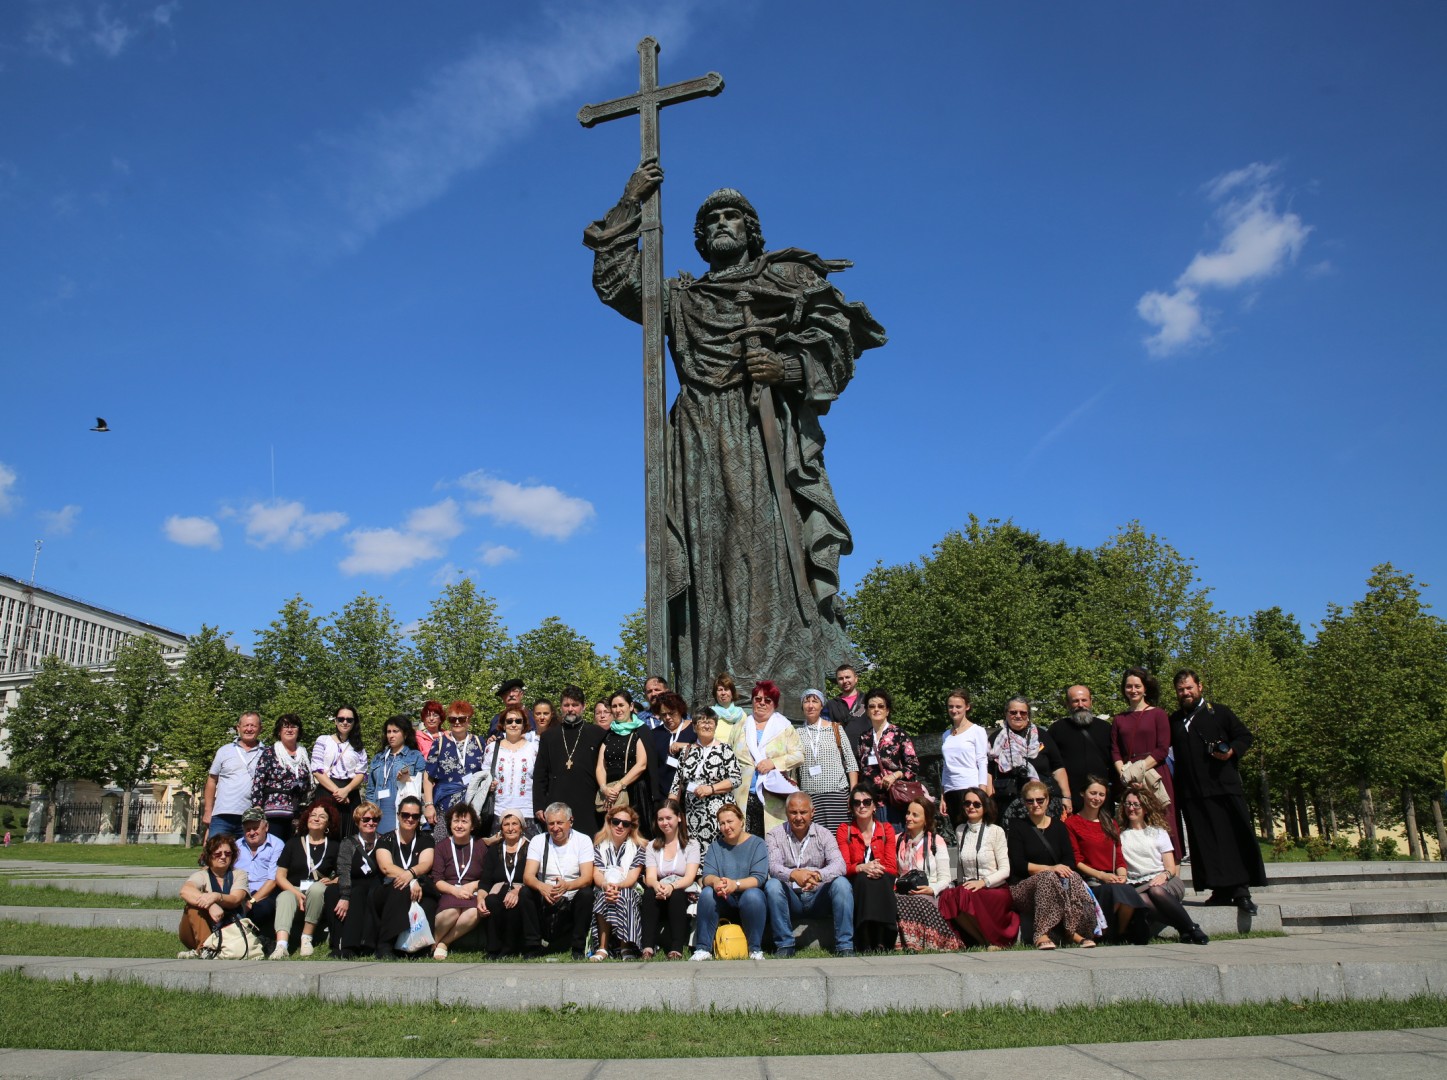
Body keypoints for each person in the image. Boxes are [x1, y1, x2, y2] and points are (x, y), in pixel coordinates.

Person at [586, 167, 887, 709]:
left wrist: (787, 368)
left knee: (763, 548)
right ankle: (711, 693)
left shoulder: (784, 281)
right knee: (707, 561)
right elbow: (614, 282)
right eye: (711, 221)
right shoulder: (682, 297)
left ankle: (779, 695)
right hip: (697, 437)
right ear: (699, 239)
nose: (721, 225)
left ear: (751, 230)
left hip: (758, 429)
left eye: (731, 217)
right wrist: (630, 202)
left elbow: (838, 344)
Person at [1170, 670, 1266, 914]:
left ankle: (1241, 892)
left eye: (1189, 688)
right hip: (1192, 792)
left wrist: (1232, 750)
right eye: (1181, 690)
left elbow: (1244, 736)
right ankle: (1220, 889)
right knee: (1206, 843)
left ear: (1200, 686)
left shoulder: (1219, 712)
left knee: (1231, 839)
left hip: (1223, 788)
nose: (1186, 693)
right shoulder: (1175, 720)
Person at [1006, 779, 1098, 950]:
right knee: (1047, 878)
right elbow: (1018, 864)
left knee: (1073, 876)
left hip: (1057, 882)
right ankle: (1041, 934)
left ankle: (1073, 931)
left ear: (1047, 800)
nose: (1035, 804)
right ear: (1024, 802)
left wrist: (1059, 871)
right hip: (1024, 887)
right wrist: (1051, 869)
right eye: (1030, 801)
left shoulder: (1059, 827)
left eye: (1040, 800)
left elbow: (1069, 860)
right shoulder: (1017, 827)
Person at [764, 792, 853, 957]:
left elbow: (840, 865)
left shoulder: (824, 834)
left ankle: (845, 946)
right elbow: (773, 867)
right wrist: (793, 875)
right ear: (786, 812)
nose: (798, 817)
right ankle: (785, 945)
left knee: (842, 884)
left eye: (803, 812)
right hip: (792, 898)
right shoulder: (774, 835)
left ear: (812, 812)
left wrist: (817, 875)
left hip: (818, 896)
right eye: (793, 812)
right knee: (772, 885)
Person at [1118, 784, 1209, 944]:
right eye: (1128, 804)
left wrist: (1163, 875)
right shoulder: (1120, 835)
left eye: (1136, 804)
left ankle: (1191, 928)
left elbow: (1170, 867)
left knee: (1156, 891)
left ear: (1145, 808)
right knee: (1143, 900)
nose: (1131, 808)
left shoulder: (1158, 832)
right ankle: (1187, 928)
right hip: (1138, 884)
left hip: (1166, 881)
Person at [1066, 776, 1146, 942]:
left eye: (1101, 794)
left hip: (1112, 878)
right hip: (1091, 881)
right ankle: (1105, 933)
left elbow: (1119, 856)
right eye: (1093, 793)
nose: (1097, 798)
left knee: (1126, 890)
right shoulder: (1072, 823)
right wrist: (1102, 876)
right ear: (1083, 793)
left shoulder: (1110, 823)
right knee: (1115, 891)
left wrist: (1122, 875)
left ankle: (1120, 933)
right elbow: (1076, 860)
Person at [937, 788, 1018, 949]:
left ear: (985, 807)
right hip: (969, 887)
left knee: (965, 894)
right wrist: (960, 884)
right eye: (967, 803)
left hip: (993, 888)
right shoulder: (960, 830)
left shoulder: (996, 831)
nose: (971, 807)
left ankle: (995, 941)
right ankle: (982, 940)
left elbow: (1005, 870)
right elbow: (960, 864)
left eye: (976, 804)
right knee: (948, 896)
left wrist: (983, 882)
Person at [1112, 667, 1179, 855]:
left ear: (1145, 688)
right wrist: (1126, 775)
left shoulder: (1158, 714)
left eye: (1137, 686)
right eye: (1128, 686)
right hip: (1129, 776)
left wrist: (1138, 770)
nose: (1133, 690)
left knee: (1164, 822)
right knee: (1134, 822)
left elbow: (1162, 749)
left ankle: (1171, 873)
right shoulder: (1119, 719)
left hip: (1155, 774)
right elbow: (1115, 751)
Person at [691, 802, 770, 961]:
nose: (726, 827)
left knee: (753, 895)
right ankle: (703, 948)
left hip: (748, 898)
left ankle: (755, 949)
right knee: (707, 893)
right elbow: (707, 875)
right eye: (722, 823)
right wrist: (716, 882)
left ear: (741, 821)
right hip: (724, 898)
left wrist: (736, 884)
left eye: (730, 821)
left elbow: (759, 877)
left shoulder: (757, 844)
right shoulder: (715, 847)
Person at [522, 802, 596, 960]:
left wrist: (567, 886)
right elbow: (528, 876)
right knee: (525, 891)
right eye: (551, 823)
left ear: (571, 821)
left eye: (560, 823)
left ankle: (578, 947)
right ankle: (533, 946)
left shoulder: (583, 840)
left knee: (587, 894)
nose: (555, 828)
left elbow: (587, 877)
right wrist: (542, 887)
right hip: (546, 894)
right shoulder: (538, 840)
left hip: (572, 894)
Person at [533, 686, 607, 838]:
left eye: (575, 705)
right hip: (557, 801)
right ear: (561, 707)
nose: (571, 709)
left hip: (588, 803)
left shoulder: (597, 733)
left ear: (583, 707)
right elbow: (540, 774)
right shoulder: (549, 736)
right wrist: (539, 805)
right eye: (566, 705)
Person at [270, 800, 340, 959]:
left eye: (322, 816)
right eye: (313, 815)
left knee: (317, 888)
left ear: (328, 823)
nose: (316, 818)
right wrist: (296, 893)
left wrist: (333, 881)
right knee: (284, 897)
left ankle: (306, 938)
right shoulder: (292, 843)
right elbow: (280, 876)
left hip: (317, 892)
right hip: (294, 889)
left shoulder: (335, 846)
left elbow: (342, 874)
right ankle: (281, 946)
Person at [734, 680, 805, 837]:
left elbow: (799, 755)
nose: (762, 703)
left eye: (768, 700)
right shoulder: (741, 726)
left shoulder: (785, 728)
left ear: (775, 704)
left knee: (773, 844)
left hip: (773, 799)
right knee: (745, 843)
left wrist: (773, 763)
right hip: (743, 797)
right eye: (757, 699)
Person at [893, 798, 961, 953]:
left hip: (928, 892)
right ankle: (905, 944)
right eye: (908, 813)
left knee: (919, 901)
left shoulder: (936, 842)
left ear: (926, 820)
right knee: (898, 901)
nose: (909, 817)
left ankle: (918, 944)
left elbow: (945, 878)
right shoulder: (898, 840)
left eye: (915, 815)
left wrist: (931, 889)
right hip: (902, 892)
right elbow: (892, 871)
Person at [373, 794, 436, 959]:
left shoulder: (426, 839)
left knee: (429, 899)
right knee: (399, 889)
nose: (410, 819)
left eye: (415, 816)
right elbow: (386, 867)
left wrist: (411, 875)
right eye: (405, 815)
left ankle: (419, 948)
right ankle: (385, 945)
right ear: (398, 815)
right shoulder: (385, 839)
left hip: (418, 886)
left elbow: (426, 863)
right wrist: (410, 880)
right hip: (390, 888)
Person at [989, 697, 1070, 826]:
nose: (1018, 716)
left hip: (1043, 800)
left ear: (1028, 715)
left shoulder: (1042, 735)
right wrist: (989, 800)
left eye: (1023, 712)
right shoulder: (996, 738)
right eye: (1013, 712)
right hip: (1009, 802)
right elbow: (989, 771)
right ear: (1006, 714)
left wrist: (1066, 797)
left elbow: (1058, 767)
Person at [671, 708, 742, 854]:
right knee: (695, 855)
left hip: (719, 816)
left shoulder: (725, 750)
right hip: (693, 816)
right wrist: (670, 811)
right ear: (694, 727)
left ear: (715, 726)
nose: (706, 726)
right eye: (702, 722)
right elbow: (676, 784)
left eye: (710, 722)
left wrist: (711, 788)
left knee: (721, 853)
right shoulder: (686, 751)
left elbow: (736, 778)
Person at [837, 784, 898, 951]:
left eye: (866, 802)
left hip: (882, 876)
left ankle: (882, 939)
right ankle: (866, 938)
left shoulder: (886, 829)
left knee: (880, 879)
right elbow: (844, 866)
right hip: (858, 880)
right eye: (857, 803)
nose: (862, 806)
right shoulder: (845, 830)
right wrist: (862, 867)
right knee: (864, 879)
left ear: (874, 806)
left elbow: (892, 867)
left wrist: (876, 869)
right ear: (851, 807)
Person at [325, 802, 386, 959]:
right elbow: (343, 869)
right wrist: (344, 895)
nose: (370, 823)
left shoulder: (384, 841)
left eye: (375, 819)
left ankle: (350, 945)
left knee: (358, 893)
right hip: (352, 882)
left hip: (375, 884)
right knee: (332, 892)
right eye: (365, 820)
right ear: (358, 822)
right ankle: (336, 941)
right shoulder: (348, 843)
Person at [796, 687, 859, 834]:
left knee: (840, 839)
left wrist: (853, 792)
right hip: (810, 797)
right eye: (807, 701)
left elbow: (851, 762)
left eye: (815, 701)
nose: (810, 705)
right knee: (815, 841)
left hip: (836, 796)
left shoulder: (835, 728)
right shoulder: (796, 733)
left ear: (821, 705)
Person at [642, 800, 700, 960]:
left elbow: (689, 877)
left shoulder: (691, 845)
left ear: (679, 818)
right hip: (659, 888)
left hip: (682, 889)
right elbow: (651, 876)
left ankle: (676, 947)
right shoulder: (652, 845)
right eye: (661, 819)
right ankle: (647, 946)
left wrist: (671, 887)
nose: (664, 823)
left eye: (669, 818)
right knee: (648, 894)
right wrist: (658, 886)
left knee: (677, 895)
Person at [423, 701, 486, 841]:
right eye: (453, 719)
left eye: (461, 719)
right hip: (444, 806)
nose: (457, 722)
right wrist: (428, 805)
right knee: (442, 847)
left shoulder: (479, 742)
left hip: (472, 807)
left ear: (468, 719)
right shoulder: (439, 743)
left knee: (470, 849)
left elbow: (486, 773)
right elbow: (428, 776)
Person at [590, 804, 647, 960]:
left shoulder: (639, 847)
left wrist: (617, 886)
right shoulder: (599, 845)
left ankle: (625, 947)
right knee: (603, 896)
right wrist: (606, 886)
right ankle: (602, 948)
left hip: (629, 888)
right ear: (609, 822)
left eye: (625, 824)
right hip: (605, 887)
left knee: (625, 895)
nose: (620, 826)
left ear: (631, 827)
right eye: (616, 822)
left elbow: (631, 878)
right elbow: (597, 874)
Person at [430, 803, 486, 960]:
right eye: (456, 821)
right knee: (452, 911)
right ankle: (433, 941)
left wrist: (474, 885)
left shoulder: (481, 845)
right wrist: (455, 891)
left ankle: (442, 943)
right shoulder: (442, 847)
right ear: (450, 823)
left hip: (472, 893)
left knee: (474, 912)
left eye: (464, 821)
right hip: (449, 891)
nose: (459, 825)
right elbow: (437, 879)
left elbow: (488, 876)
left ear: (472, 825)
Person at [855, 690, 919, 824]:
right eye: (872, 706)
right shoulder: (863, 737)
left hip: (894, 799)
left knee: (895, 839)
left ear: (887, 710)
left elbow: (913, 765)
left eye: (880, 706)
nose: (876, 709)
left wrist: (894, 776)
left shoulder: (898, 734)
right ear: (866, 711)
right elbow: (861, 768)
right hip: (870, 802)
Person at [178, 834, 248, 957]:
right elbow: (185, 890)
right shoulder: (202, 875)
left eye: (228, 853)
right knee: (192, 907)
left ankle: (206, 950)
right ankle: (206, 948)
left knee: (198, 901)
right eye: (218, 854)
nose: (223, 857)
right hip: (200, 931)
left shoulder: (239, 874)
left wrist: (216, 896)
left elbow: (235, 899)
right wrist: (211, 905)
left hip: (230, 930)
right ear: (209, 856)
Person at [1049, 685, 1115, 815]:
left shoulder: (1106, 728)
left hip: (1101, 799)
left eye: (1084, 700)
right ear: (1068, 704)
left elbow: (1114, 761)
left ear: (1091, 702)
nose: (1080, 704)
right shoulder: (1057, 729)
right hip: (1070, 800)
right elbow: (1052, 764)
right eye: (1075, 701)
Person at [201, 711, 264, 840]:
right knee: (217, 854)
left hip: (251, 816)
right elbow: (212, 781)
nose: (249, 729)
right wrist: (208, 811)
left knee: (247, 857)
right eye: (246, 725)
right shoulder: (224, 751)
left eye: (253, 726)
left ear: (260, 729)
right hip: (222, 815)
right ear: (238, 728)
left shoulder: (267, 753)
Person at [250, 713, 312, 842]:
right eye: (285, 726)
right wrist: (257, 807)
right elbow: (258, 783)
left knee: (294, 854)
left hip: (297, 814)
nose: (289, 730)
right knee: (275, 851)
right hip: (274, 814)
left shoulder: (304, 754)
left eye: (293, 726)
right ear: (279, 731)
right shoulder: (269, 753)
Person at [478, 809, 530, 959]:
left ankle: (511, 948)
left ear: (522, 827)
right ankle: (493, 949)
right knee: (491, 900)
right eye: (506, 824)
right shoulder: (494, 850)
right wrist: (480, 898)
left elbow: (535, 876)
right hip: (499, 889)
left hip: (522, 890)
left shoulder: (530, 848)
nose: (510, 828)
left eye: (515, 824)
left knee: (514, 902)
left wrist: (517, 891)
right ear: (501, 829)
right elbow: (486, 880)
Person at [597, 690, 652, 831]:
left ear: (631, 706)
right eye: (614, 706)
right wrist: (604, 788)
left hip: (634, 791)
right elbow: (600, 766)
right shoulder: (609, 734)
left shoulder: (641, 731)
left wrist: (620, 785)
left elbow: (641, 764)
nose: (618, 709)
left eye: (621, 705)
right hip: (610, 794)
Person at [364, 714, 428, 835]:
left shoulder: (415, 756)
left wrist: (407, 779)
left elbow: (423, 786)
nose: (391, 735)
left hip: (401, 811)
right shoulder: (378, 758)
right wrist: (368, 813)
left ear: (405, 734)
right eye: (388, 732)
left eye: (395, 731)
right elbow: (370, 789)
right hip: (378, 812)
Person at [312, 706, 368, 839]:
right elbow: (317, 770)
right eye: (341, 719)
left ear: (354, 723)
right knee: (325, 834)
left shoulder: (358, 746)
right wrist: (338, 792)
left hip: (350, 794)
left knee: (349, 836)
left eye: (349, 720)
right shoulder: (323, 740)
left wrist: (346, 790)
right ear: (335, 721)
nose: (345, 722)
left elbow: (361, 773)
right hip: (327, 791)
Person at [487, 707, 541, 839]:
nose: (513, 724)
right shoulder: (492, 748)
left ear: (524, 725)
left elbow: (541, 779)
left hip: (527, 811)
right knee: (500, 854)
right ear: (503, 724)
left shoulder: (534, 748)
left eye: (518, 721)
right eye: (509, 721)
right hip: (499, 811)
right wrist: (488, 784)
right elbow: (484, 775)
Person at [940, 688, 990, 828]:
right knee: (959, 832)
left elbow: (982, 762)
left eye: (958, 706)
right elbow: (946, 766)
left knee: (974, 830)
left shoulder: (977, 731)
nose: (954, 710)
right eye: (951, 706)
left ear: (967, 707)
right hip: (951, 790)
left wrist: (982, 792)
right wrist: (943, 796)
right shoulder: (946, 735)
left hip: (970, 787)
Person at [234, 807, 284, 936]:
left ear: (266, 827)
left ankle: (251, 938)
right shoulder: (236, 846)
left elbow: (273, 880)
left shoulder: (277, 845)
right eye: (247, 829)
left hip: (265, 892)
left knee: (262, 909)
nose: (251, 832)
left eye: (255, 828)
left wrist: (251, 901)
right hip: (239, 890)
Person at [649, 691, 697, 806]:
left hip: (691, 792)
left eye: (671, 713)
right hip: (664, 794)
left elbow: (707, 750)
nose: (668, 718)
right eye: (663, 714)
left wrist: (686, 746)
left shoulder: (694, 729)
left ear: (680, 710)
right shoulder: (655, 734)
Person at [827, 664, 870, 762]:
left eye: (848, 677)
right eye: (841, 678)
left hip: (867, 754)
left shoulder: (868, 700)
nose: (845, 681)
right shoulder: (831, 704)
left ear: (856, 679)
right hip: (842, 757)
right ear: (837, 682)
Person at [710, 673, 746, 746]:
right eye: (720, 690)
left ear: (732, 693)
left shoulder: (741, 715)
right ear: (715, 694)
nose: (723, 693)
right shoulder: (709, 713)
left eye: (726, 689)